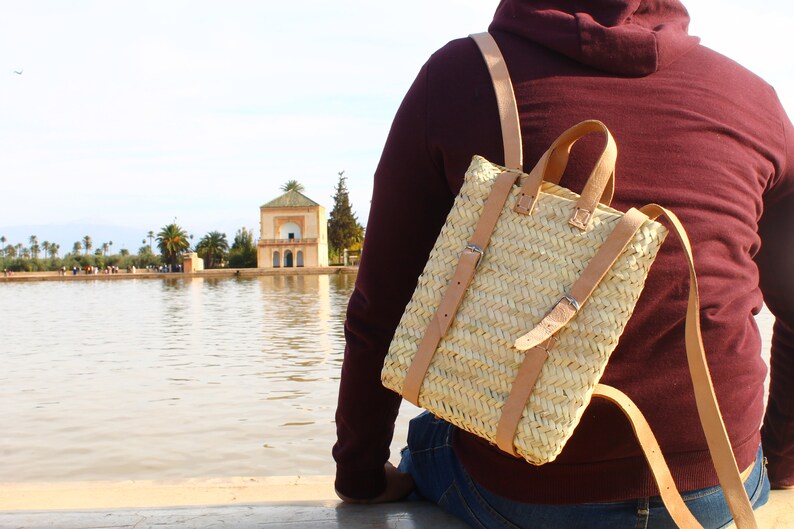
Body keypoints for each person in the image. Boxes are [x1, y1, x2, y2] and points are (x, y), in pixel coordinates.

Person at [332, 1, 793, 527]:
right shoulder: (753, 98)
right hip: (718, 484)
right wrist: (781, 463)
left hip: (523, 491)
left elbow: (381, 305)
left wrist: (360, 477)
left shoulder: (461, 74)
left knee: (431, 432)